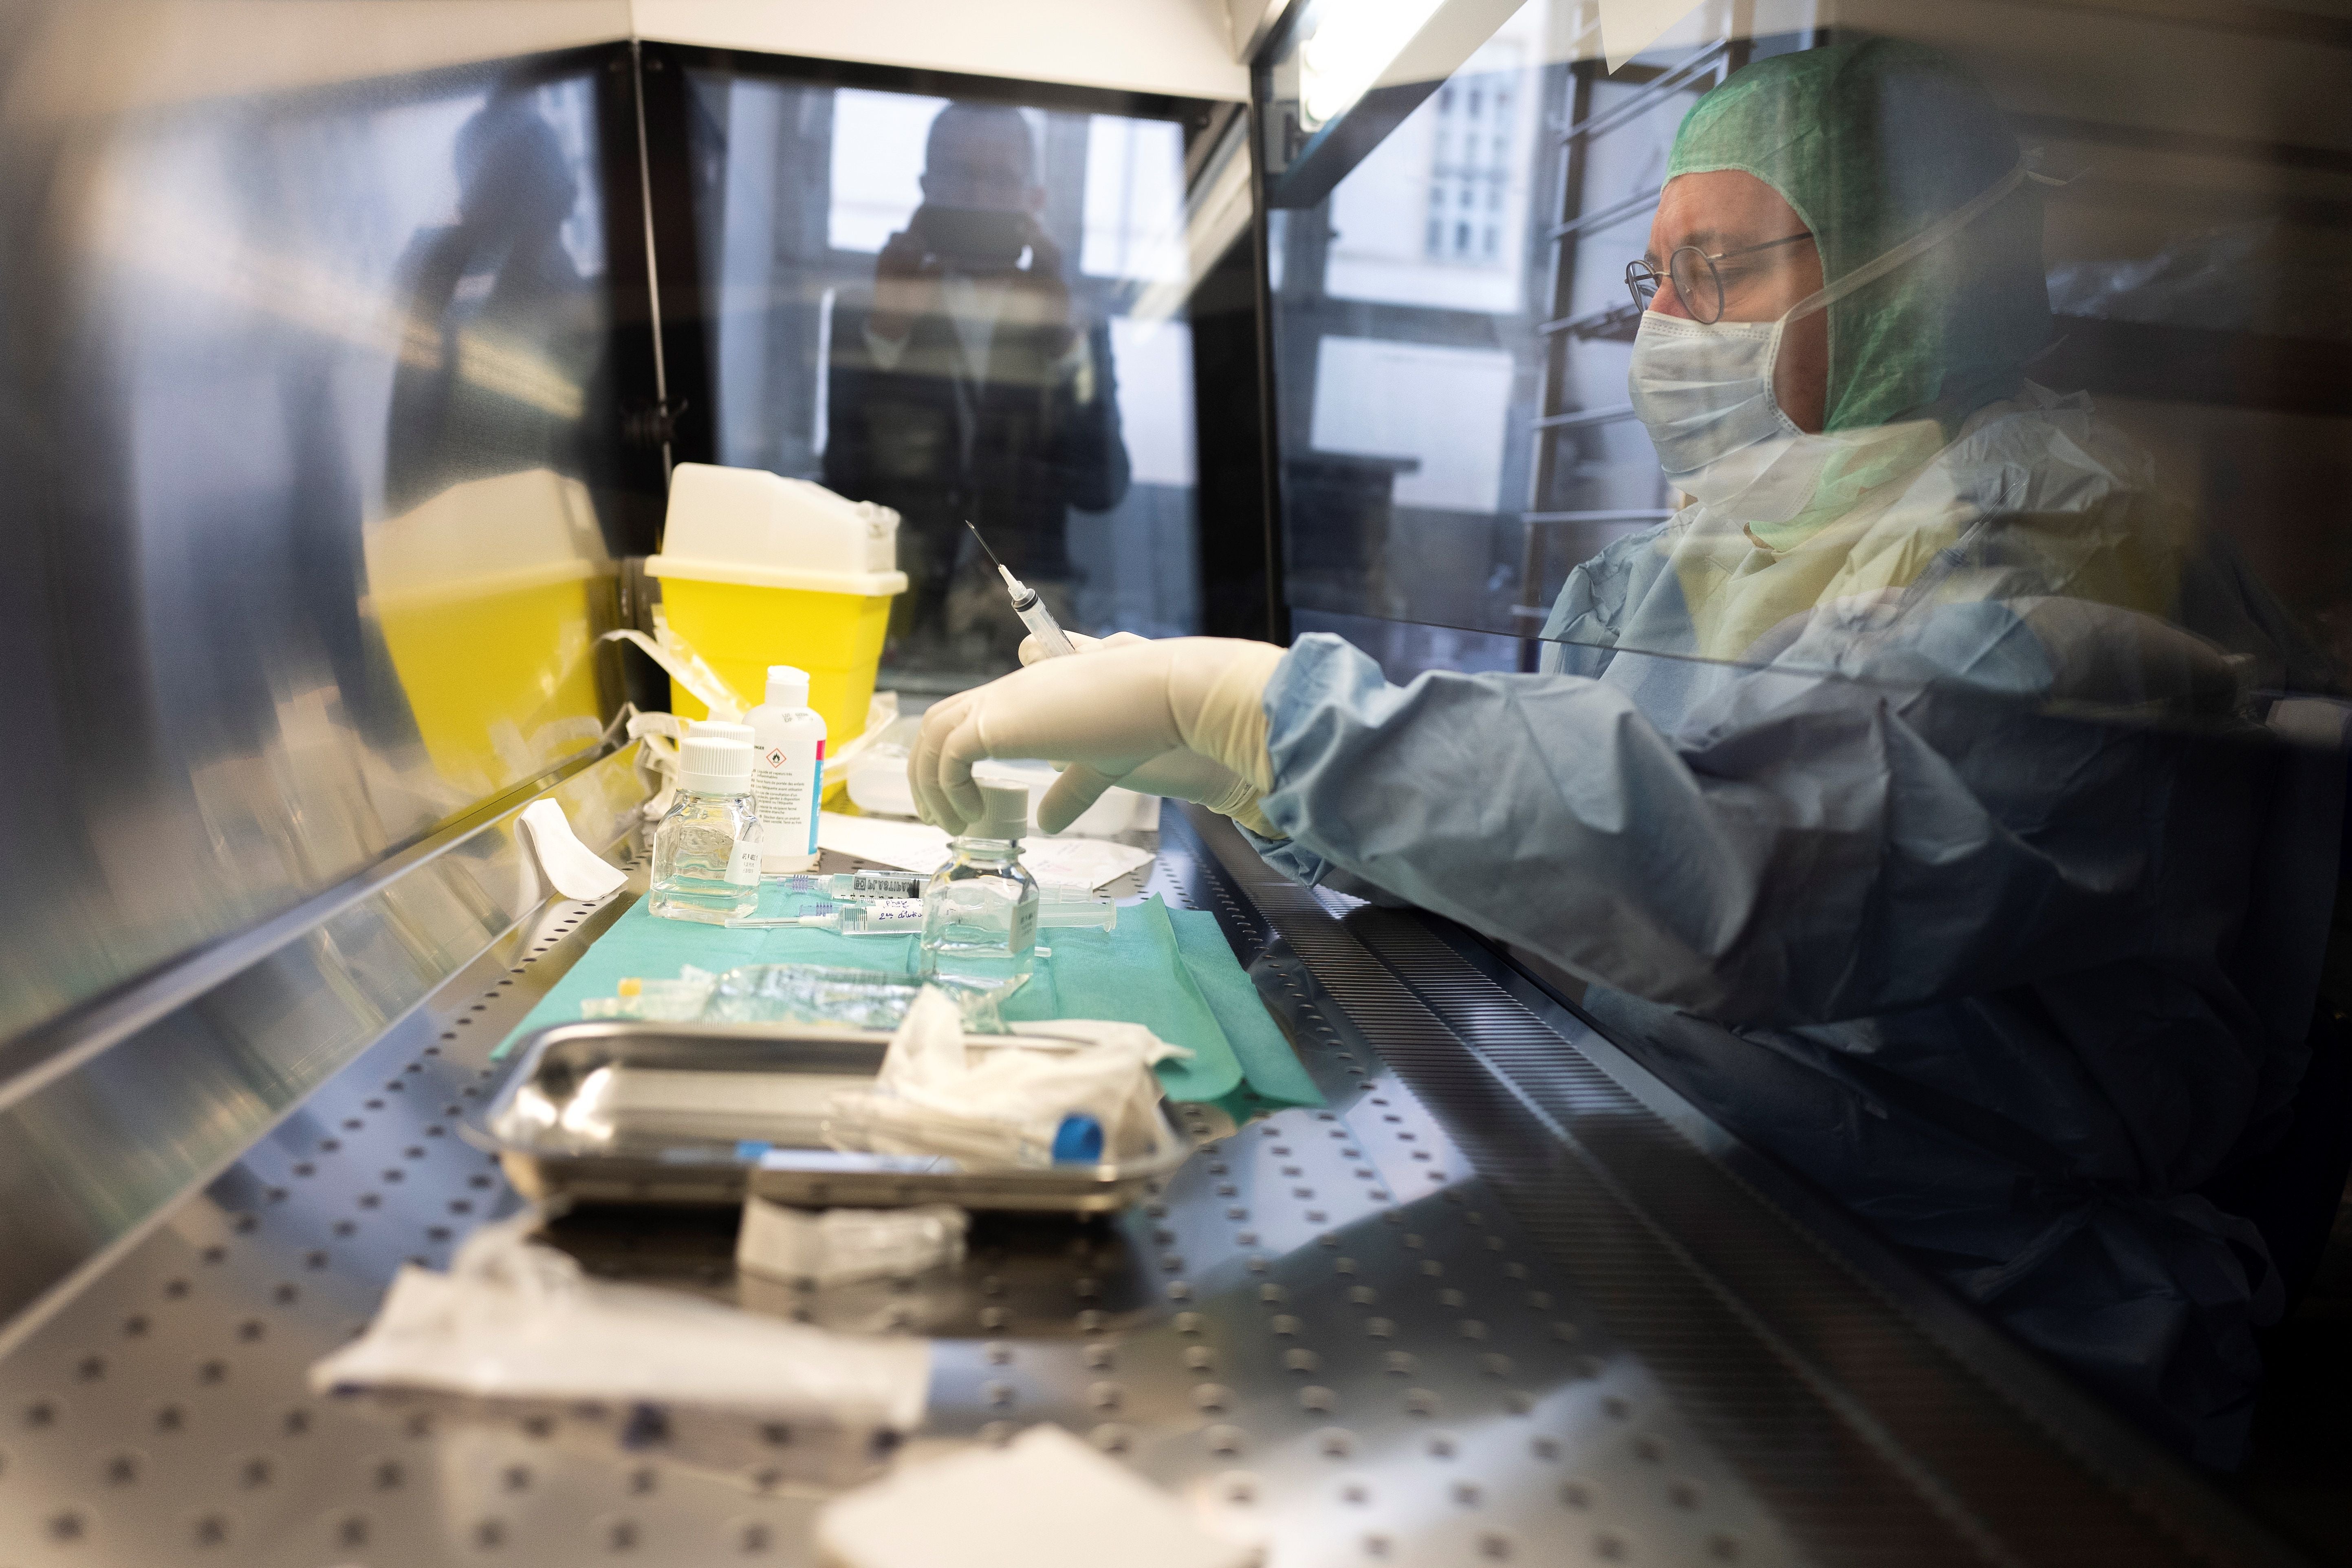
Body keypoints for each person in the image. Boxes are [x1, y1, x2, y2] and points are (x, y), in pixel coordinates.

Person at [903, 41, 2334, 1466]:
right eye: (1659, 281)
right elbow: (1547, 841)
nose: (1671, 326)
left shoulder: (2074, 556)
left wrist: (1264, 718)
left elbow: (1750, 867)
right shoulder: (1677, 572)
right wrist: (1255, 780)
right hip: (1679, 1192)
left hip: (1972, 1327)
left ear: (1910, 270)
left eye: (1721, 272)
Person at [823, 101, 1130, 667]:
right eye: (960, 175)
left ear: (1032, 198)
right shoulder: (865, 309)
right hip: (898, 605)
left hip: (1031, 613)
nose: (978, 196)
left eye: (1000, 179)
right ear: (927, 187)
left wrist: (1064, 343)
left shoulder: (1070, 318)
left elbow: (1103, 487)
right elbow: (843, 484)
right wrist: (887, 330)